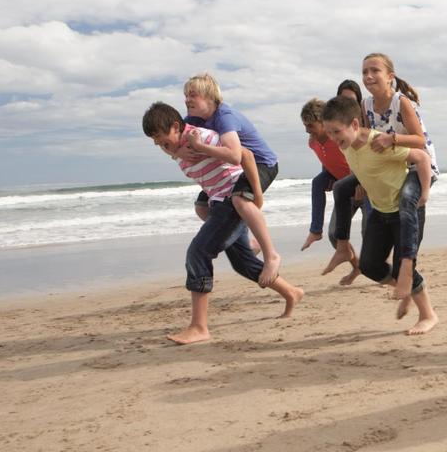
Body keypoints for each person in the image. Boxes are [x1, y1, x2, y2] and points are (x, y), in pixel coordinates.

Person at [141, 102, 304, 344]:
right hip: (218, 202)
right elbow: (202, 172)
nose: (159, 146)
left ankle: (199, 327)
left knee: (198, 252)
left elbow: (245, 156)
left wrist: (256, 197)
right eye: (155, 142)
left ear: (176, 127)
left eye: (161, 139)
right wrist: (174, 151)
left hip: (232, 199)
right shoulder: (179, 150)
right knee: (243, 262)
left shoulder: (204, 138)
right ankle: (291, 292)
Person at [324, 53, 440, 305]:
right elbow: (363, 141)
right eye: (364, 71)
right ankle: (343, 247)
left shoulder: (401, 102)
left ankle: (407, 268)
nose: (368, 76)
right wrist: (362, 183)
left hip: (416, 166)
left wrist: (393, 139)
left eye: (374, 71)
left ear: (390, 77)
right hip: (389, 165)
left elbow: (421, 142)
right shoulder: (365, 105)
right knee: (343, 188)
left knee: (408, 200)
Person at [180, 74, 282, 288]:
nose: (187, 100)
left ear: (209, 97)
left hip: (263, 164)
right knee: (202, 207)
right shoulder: (194, 119)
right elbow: (178, 138)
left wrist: (200, 148)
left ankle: (270, 254)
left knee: (240, 201)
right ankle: (241, 238)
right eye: (185, 95)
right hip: (234, 170)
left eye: (192, 94)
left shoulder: (225, 116)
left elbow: (236, 155)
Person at [299, 98, 367, 285]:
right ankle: (357, 266)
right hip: (345, 192)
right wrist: (328, 176)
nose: (307, 130)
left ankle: (391, 272)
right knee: (335, 235)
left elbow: (357, 157)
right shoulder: (313, 143)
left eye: (310, 125)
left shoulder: (338, 137)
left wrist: (360, 182)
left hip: (366, 188)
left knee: (371, 236)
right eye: (305, 126)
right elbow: (327, 161)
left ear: (323, 122)